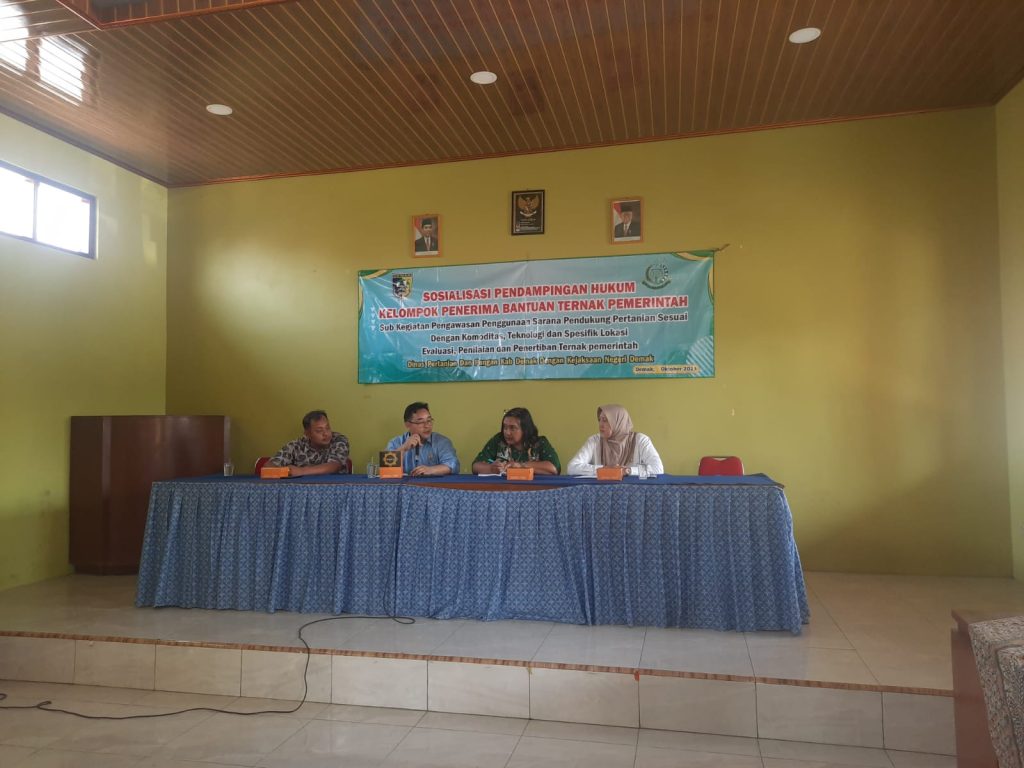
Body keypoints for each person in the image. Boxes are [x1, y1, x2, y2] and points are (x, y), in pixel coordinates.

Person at [566, 404, 663, 476]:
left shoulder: (641, 440)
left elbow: (658, 468)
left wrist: (628, 471)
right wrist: (604, 469)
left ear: (618, 422)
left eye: (605, 420)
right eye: (599, 420)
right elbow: (572, 467)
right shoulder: (594, 441)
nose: (600, 424)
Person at [472, 407, 560, 475]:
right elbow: (476, 466)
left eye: (512, 428)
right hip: (501, 489)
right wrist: (491, 468)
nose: (507, 432)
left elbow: (554, 468)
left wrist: (521, 466)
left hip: (532, 489)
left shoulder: (539, 443)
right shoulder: (498, 440)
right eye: (505, 427)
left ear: (525, 429)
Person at [267, 410, 350, 477]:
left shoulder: (339, 440)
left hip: (336, 488)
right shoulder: (296, 446)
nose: (326, 433)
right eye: (319, 431)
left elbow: (334, 466)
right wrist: (286, 472)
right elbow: (268, 467)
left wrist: (301, 471)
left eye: (327, 428)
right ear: (307, 434)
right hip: (300, 489)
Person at [385, 401, 460, 476]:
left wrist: (431, 470)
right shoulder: (395, 443)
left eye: (429, 420)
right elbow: (386, 471)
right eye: (421, 422)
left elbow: (453, 465)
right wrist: (403, 449)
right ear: (407, 424)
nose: (427, 426)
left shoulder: (442, 442)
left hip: (434, 483)